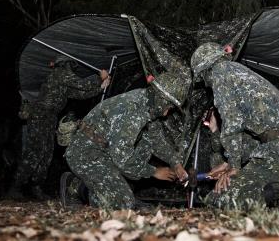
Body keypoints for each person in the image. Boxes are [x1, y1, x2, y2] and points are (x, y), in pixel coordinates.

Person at [191, 42, 279, 210]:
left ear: (206, 69)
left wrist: (233, 166)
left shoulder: (220, 73)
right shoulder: (236, 71)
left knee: (223, 200)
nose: (206, 83)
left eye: (203, 78)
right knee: (222, 193)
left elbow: (232, 121)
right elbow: (245, 133)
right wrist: (228, 163)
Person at [64, 71, 191, 209]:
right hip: (86, 153)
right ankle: (76, 186)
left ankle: (111, 188)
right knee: (123, 204)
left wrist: (176, 164)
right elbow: (122, 157)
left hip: (106, 152)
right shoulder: (133, 109)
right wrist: (154, 172)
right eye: (169, 107)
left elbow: (157, 140)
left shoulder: (147, 103)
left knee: (147, 142)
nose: (166, 112)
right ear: (162, 98)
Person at [7, 55, 110, 199]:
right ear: (65, 65)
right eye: (71, 67)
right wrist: (100, 78)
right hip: (40, 116)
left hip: (49, 118)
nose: (72, 70)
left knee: (46, 154)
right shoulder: (59, 73)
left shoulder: (63, 83)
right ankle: (15, 187)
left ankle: (36, 187)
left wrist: (100, 88)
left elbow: (80, 94)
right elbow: (81, 84)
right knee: (35, 152)